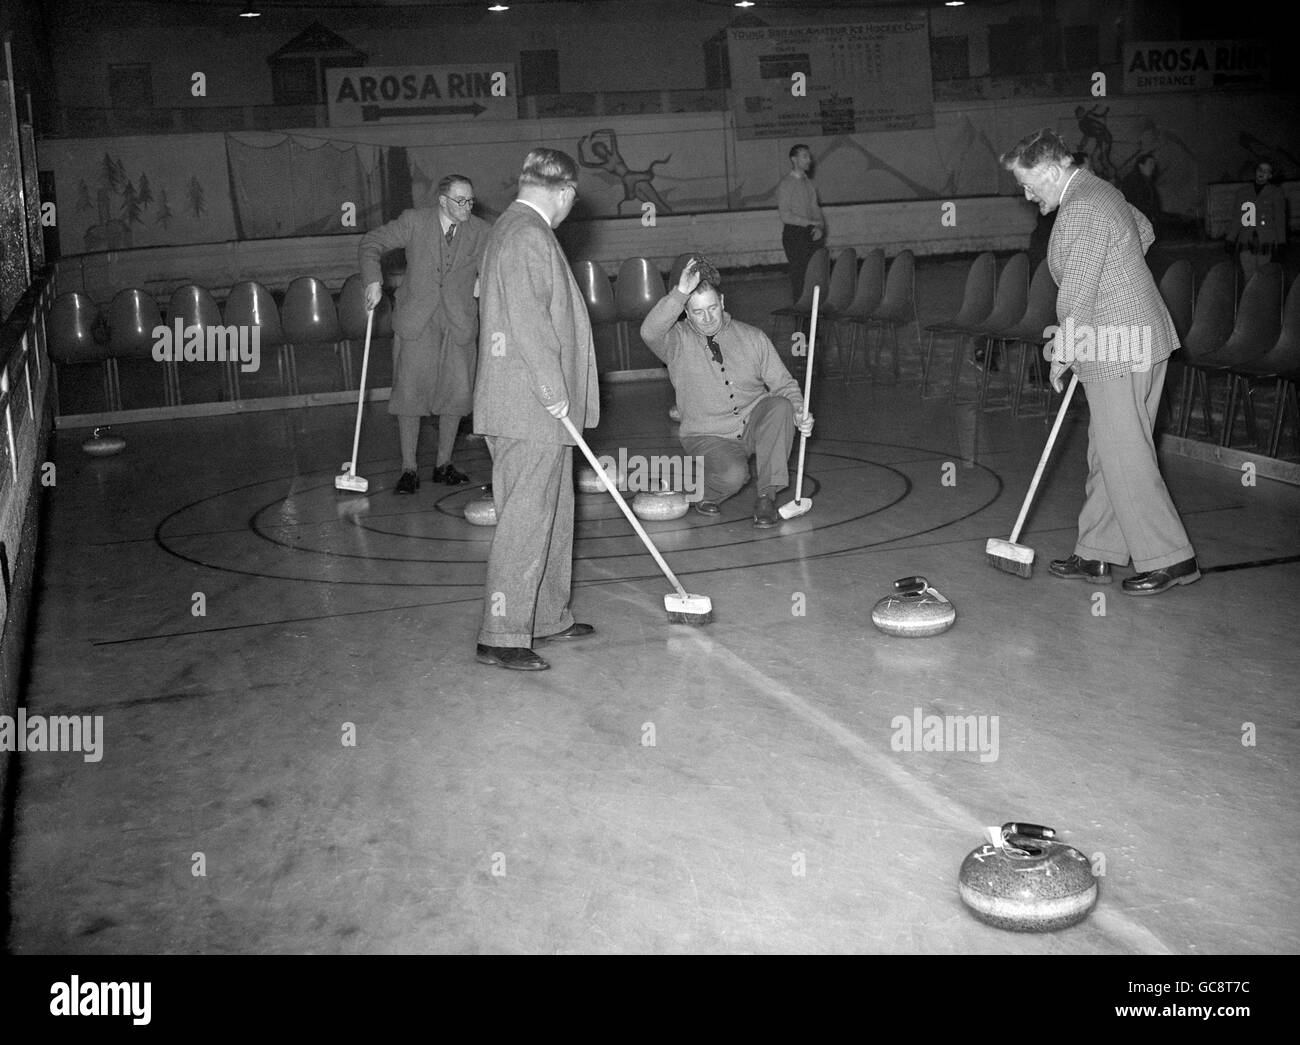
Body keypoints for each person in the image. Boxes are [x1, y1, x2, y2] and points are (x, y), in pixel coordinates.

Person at [1001, 128, 1198, 596]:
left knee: (1124, 453)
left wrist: (1062, 353)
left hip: (1115, 344)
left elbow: (1079, 292)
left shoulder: (1081, 207)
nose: (1026, 195)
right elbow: (1143, 231)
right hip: (1141, 336)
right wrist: (1122, 272)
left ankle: (1172, 558)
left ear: (1051, 170)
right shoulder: (1100, 189)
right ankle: (1098, 552)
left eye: (1028, 183)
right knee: (1109, 448)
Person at [473, 149, 600, 672]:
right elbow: (527, 323)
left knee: (553, 511)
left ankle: (546, 614)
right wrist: (554, 390)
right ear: (565, 191)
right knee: (526, 518)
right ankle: (501, 636)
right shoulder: (527, 234)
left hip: (530, 407)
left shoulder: (510, 228)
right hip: (529, 406)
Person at [640, 255, 813, 528]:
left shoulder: (753, 338)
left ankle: (766, 498)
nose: (708, 318)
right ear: (686, 312)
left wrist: (800, 410)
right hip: (707, 435)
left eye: (712, 308)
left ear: (722, 302)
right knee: (734, 476)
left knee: (781, 405)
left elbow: (784, 384)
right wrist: (680, 292)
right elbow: (649, 331)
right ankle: (705, 490)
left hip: (753, 422)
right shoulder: (675, 341)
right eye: (698, 312)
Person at [359, 175, 489, 494]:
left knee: (456, 395)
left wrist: (483, 279)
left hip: (459, 321)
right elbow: (370, 243)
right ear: (443, 201)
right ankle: (409, 469)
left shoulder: (482, 230)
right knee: (410, 393)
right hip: (417, 319)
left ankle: (443, 465)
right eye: (461, 201)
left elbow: (496, 263)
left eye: (470, 201)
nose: (467, 207)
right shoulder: (414, 221)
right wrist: (373, 281)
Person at [777, 144, 825, 301]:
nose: (809, 160)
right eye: (804, 156)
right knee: (800, 277)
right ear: (794, 159)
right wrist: (810, 223)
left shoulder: (808, 184)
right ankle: (802, 317)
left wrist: (819, 226)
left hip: (810, 232)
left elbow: (815, 208)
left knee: (815, 277)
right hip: (794, 235)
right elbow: (785, 215)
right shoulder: (786, 184)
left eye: (809, 156)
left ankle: (814, 318)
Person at [1228, 160, 1287, 280]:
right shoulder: (1242, 192)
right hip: (1245, 240)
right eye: (1260, 169)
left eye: (1266, 171)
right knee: (1248, 277)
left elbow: (1280, 219)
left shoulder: (1276, 193)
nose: (1262, 173)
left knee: (1263, 278)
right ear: (1255, 171)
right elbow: (1237, 218)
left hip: (1266, 241)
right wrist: (1230, 238)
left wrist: (1281, 242)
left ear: (1270, 175)